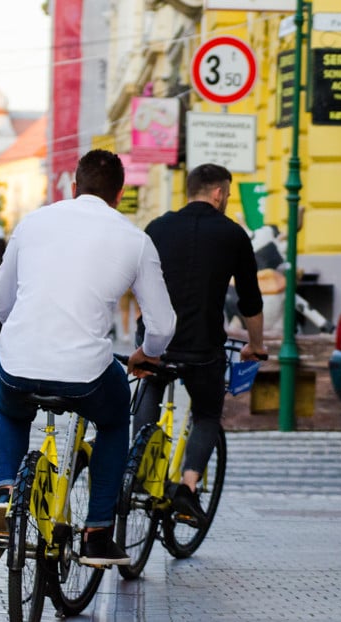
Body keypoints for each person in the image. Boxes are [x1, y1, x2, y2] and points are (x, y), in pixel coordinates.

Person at [0, 150, 176, 566]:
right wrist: (145, 355)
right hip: (84, 374)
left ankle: (4, 492)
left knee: (12, 412)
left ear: (73, 186)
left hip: (18, 362)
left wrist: (22, 327)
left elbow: (1, 296)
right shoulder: (135, 240)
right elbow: (162, 325)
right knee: (113, 415)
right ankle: (97, 532)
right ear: (119, 194)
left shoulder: (33, 223)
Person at [134, 163, 268, 524]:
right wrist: (254, 345)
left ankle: (140, 467)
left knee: (149, 385)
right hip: (203, 346)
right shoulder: (233, 234)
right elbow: (250, 301)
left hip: (154, 341)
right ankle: (188, 487)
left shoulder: (157, 228)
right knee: (207, 413)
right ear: (219, 193)